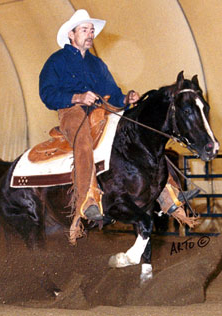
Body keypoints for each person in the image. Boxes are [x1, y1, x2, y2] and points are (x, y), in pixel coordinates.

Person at [39, 9, 198, 242]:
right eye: (85, 29)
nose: (90, 33)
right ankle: (88, 199)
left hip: (103, 109)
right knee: (82, 141)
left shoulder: (97, 64)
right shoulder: (56, 61)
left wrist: (126, 99)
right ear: (71, 34)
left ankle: (169, 193)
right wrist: (78, 97)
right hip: (72, 111)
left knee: (139, 136)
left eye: (92, 30)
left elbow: (113, 94)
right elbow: (47, 93)